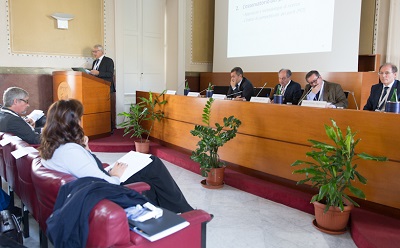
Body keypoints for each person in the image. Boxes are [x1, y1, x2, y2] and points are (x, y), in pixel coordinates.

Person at [39, 99, 193, 214]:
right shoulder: (70, 151)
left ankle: (168, 210)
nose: (81, 122)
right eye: (80, 118)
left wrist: (86, 148)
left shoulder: (53, 144)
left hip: (90, 183)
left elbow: (86, 166)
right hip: (105, 187)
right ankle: (184, 210)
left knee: (148, 166)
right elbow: (107, 184)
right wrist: (115, 175)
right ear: (72, 123)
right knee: (152, 163)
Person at [90, 44, 116, 130]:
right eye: (93, 51)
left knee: (106, 109)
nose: (94, 53)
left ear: (101, 51)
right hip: (96, 88)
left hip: (106, 88)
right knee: (98, 109)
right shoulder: (94, 62)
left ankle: (109, 128)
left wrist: (98, 73)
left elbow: (110, 74)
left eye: (95, 51)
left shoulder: (108, 61)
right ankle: (100, 127)